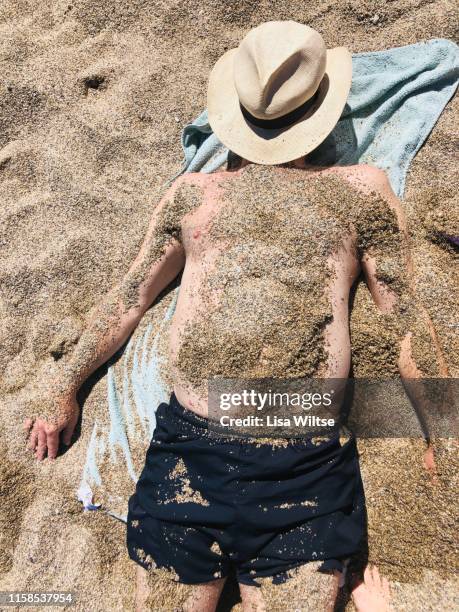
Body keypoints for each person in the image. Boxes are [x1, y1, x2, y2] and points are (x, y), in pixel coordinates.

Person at [25, 21, 439, 612]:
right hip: (192, 453)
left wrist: (442, 426)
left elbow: (406, 317)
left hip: (303, 455)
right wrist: (64, 382)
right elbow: (130, 295)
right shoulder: (197, 195)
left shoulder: (357, 193)